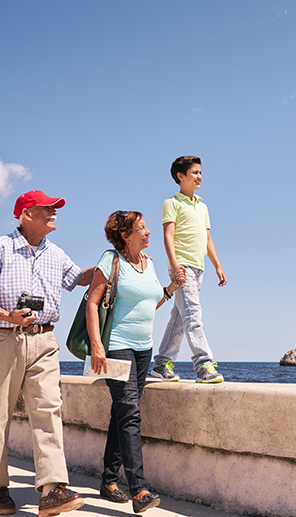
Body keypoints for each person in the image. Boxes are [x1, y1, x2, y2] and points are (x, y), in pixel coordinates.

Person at [0, 190, 94, 517]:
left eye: (55, 208)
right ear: (25, 214)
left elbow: (79, 279)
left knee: (49, 410)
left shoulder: (56, 253)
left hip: (45, 341)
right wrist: (8, 316)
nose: (54, 213)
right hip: (3, 339)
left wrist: (111, 261)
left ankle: (53, 489)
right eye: (47, 208)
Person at [86, 210, 184, 513]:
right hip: (116, 347)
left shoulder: (150, 264)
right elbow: (92, 301)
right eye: (142, 228)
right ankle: (139, 489)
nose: (149, 232)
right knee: (130, 413)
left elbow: (147, 302)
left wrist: (170, 290)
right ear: (125, 235)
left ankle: (109, 480)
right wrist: (97, 346)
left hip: (144, 349)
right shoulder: (111, 260)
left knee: (123, 411)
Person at [150, 156, 227, 384]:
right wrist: (175, 266)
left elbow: (208, 239)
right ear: (180, 176)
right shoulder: (171, 203)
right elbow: (168, 236)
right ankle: (203, 364)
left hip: (199, 267)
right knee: (193, 314)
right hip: (182, 266)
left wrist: (217, 265)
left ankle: (162, 362)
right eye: (194, 172)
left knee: (180, 317)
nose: (199, 176)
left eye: (200, 172)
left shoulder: (202, 206)